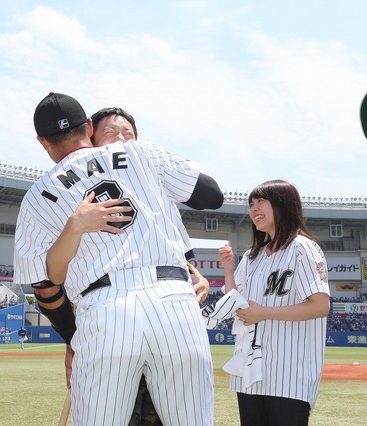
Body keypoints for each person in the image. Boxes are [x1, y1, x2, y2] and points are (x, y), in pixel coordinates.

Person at [14, 92, 223, 426]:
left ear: (43, 142)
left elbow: (46, 285)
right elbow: (212, 195)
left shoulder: (38, 195)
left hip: (104, 308)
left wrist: (74, 340)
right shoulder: (143, 151)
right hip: (175, 302)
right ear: (90, 127)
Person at [217, 179, 330, 426]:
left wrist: (264, 313)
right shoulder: (252, 255)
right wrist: (228, 269)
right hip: (249, 371)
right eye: (251, 204)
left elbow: (321, 305)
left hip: (289, 373)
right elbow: (234, 301)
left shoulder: (303, 248)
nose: (254, 209)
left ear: (283, 206)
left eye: (261, 202)